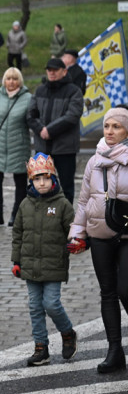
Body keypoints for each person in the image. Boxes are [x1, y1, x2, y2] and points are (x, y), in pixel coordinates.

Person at [69, 107, 128, 373]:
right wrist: (76, 233)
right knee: (107, 292)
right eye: (107, 126)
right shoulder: (94, 161)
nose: (110, 131)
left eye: (117, 126)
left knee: (125, 289)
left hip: (126, 234)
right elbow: (83, 201)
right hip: (99, 234)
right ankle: (114, 351)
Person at [13, 153, 77, 367]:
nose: (42, 183)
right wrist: (16, 261)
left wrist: (77, 240)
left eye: (46, 178)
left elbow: (73, 228)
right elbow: (18, 234)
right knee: (34, 306)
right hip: (30, 266)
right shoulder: (24, 205)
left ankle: (67, 333)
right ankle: (41, 347)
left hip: (53, 264)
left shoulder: (62, 204)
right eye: (37, 179)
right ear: (31, 181)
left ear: (53, 179)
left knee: (51, 304)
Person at [26, 57, 84, 203]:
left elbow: (72, 116)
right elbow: (30, 114)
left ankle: (66, 219)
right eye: (49, 70)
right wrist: (41, 129)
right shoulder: (40, 90)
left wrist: (50, 131)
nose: (51, 73)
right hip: (42, 148)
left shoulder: (74, 91)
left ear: (64, 71)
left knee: (66, 187)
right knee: (40, 185)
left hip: (65, 148)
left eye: (55, 70)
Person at [0, 68, 33, 227]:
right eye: (8, 78)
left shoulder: (28, 98)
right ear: (4, 81)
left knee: (20, 181)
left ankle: (16, 215)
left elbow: (32, 121)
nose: (11, 82)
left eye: (15, 79)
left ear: (20, 81)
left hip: (19, 145)